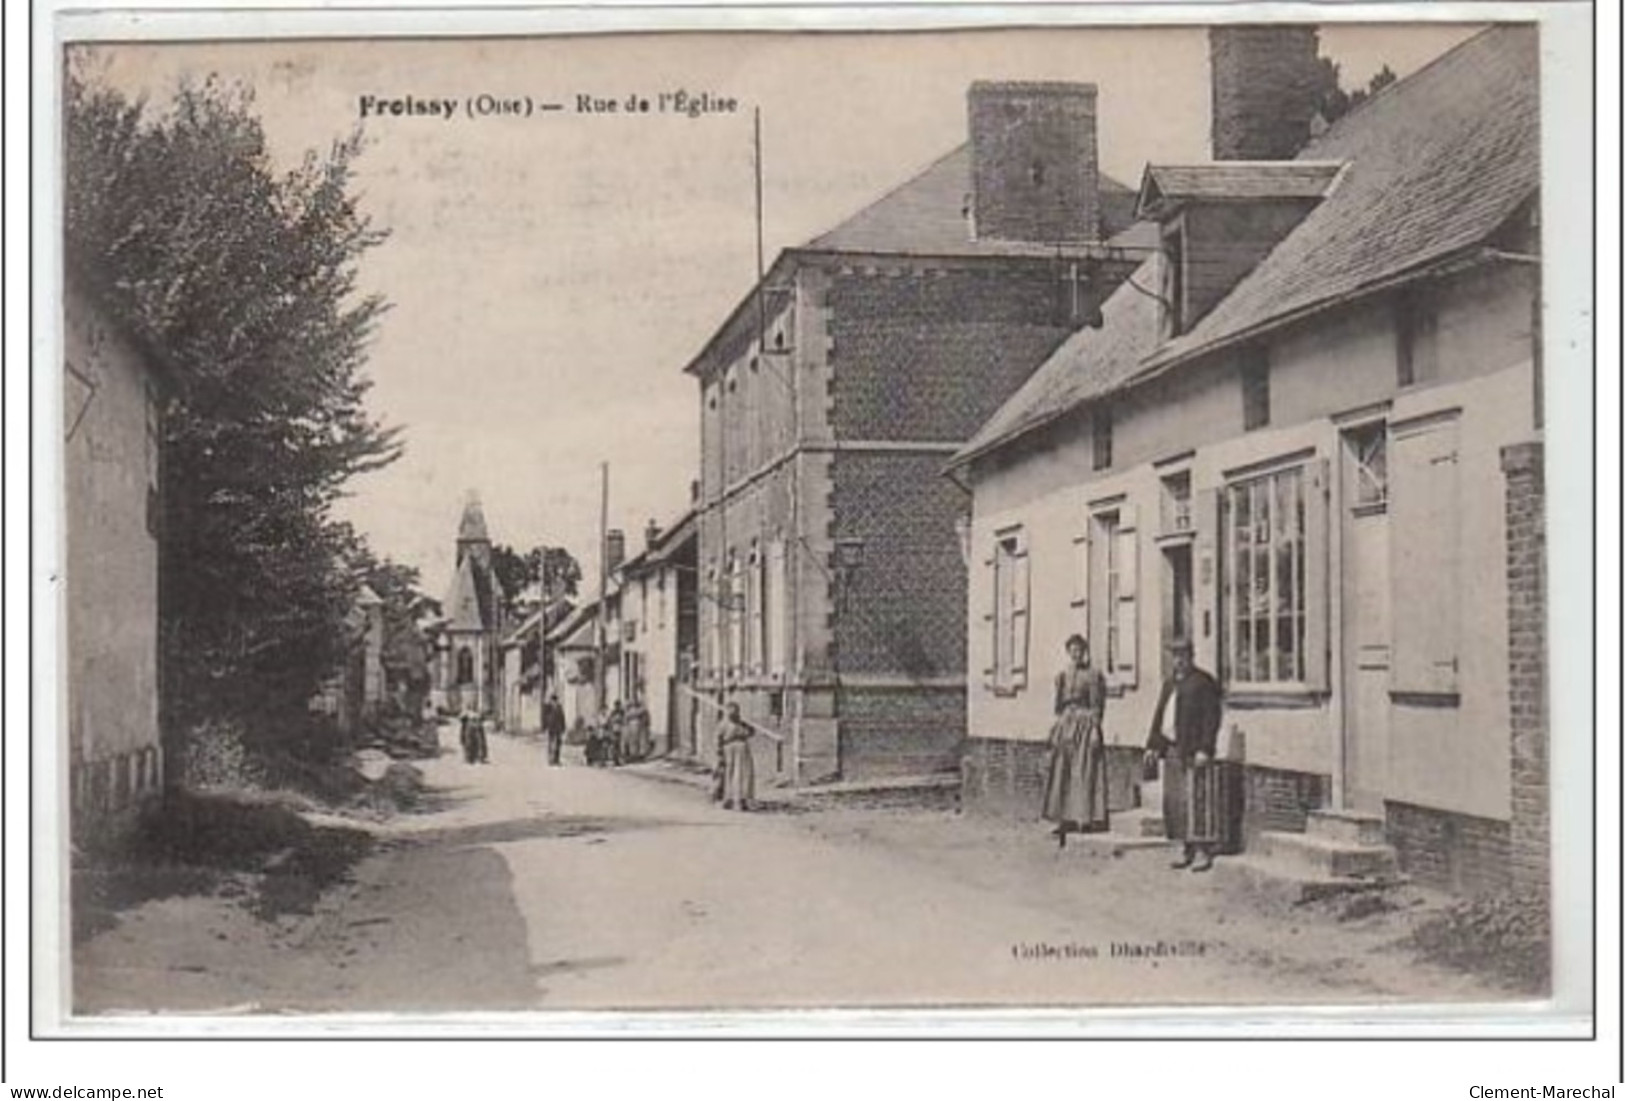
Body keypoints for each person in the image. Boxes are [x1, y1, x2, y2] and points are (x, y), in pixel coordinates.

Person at [1143, 638, 1224, 872]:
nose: (1178, 660)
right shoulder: (1170, 684)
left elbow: (1211, 719)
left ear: (1191, 656)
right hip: (1171, 749)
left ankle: (1202, 851)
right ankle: (1185, 848)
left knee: (1196, 800)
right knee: (1176, 802)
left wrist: (1205, 749)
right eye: (1175, 656)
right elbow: (1160, 716)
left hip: (1192, 750)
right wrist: (1152, 746)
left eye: (1183, 655)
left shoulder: (1203, 682)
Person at [1040, 634, 1110, 849]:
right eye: (1072, 650)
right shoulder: (1062, 675)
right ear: (1068, 652)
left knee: (1083, 771)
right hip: (1066, 725)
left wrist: (1095, 730)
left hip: (1085, 726)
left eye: (1079, 650)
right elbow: (1058, 706)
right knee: (1062, 771)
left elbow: (1097, 707)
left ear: (1085, 651)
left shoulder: (1093, 675)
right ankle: (1063, 818)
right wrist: (1057, 727)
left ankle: (1084, 818)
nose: (1076, 654)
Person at [716, 703, 755, 812]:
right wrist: (719, 753)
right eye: (730, 711)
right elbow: (718, 739)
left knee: (744, 774)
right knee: (731, 774)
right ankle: (730, 800)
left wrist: (746, 726)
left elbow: (751, 732)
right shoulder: (723, 724)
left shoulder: (742, 724)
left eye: (735, 711)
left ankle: (743, 800)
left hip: (742, 749)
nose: (733, 714)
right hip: (729, 749)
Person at [542, 693, 567, 767]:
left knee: (558, 744)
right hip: (551, 729)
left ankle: (557, 759)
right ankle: (551, 759)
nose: (553, 702)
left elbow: (562, 718)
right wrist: (545, 728)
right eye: (552, 701)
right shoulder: (548, 708)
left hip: (558, 729)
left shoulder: (559, 708)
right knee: (551, 744)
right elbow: (544, 719)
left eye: (554, 701)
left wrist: (563, 728)